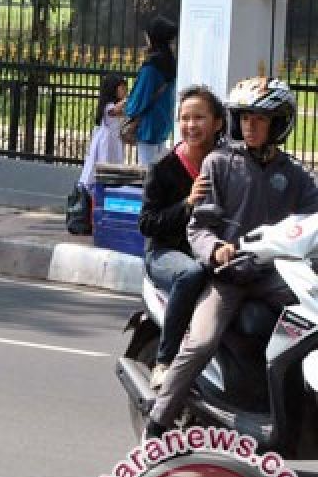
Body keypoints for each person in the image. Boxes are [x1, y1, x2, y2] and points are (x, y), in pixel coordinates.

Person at [145, 77, 318, 439]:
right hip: (229, 275)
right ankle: (157, 423)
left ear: (279, 123)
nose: (249, 126)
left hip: (274, 275)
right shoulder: (219, 164)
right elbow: (199, 227)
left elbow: (312, 219)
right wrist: (215, 250)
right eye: (244, 118)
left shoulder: (296, 175)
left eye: (259, 118)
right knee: (201, 341)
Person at [138, 84, 225, 390]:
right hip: (167, 254)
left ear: (217, 122)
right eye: (185, 118)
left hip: (214, 251)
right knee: (192, 273)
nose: (191, 125)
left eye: (199, 118)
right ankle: (165, 361)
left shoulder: (228, 162)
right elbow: (147, 223)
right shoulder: (164, 168)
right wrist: (187, 204)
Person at [126, 16, 178, 166]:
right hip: (163, 123)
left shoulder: (151, 67)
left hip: (148, 126)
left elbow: (138, 100)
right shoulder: (170, 62)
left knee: (147, 171)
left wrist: (128, 109)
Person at [78, 73, 128, 188]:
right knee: (103, 167)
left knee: (112, 168)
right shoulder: (108, 106)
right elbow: (114, 111)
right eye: (122, 88)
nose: (124, 91)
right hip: (106, 142)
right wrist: (129, 99)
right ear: (112, 89)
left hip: (114, 141)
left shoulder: (116, 105)